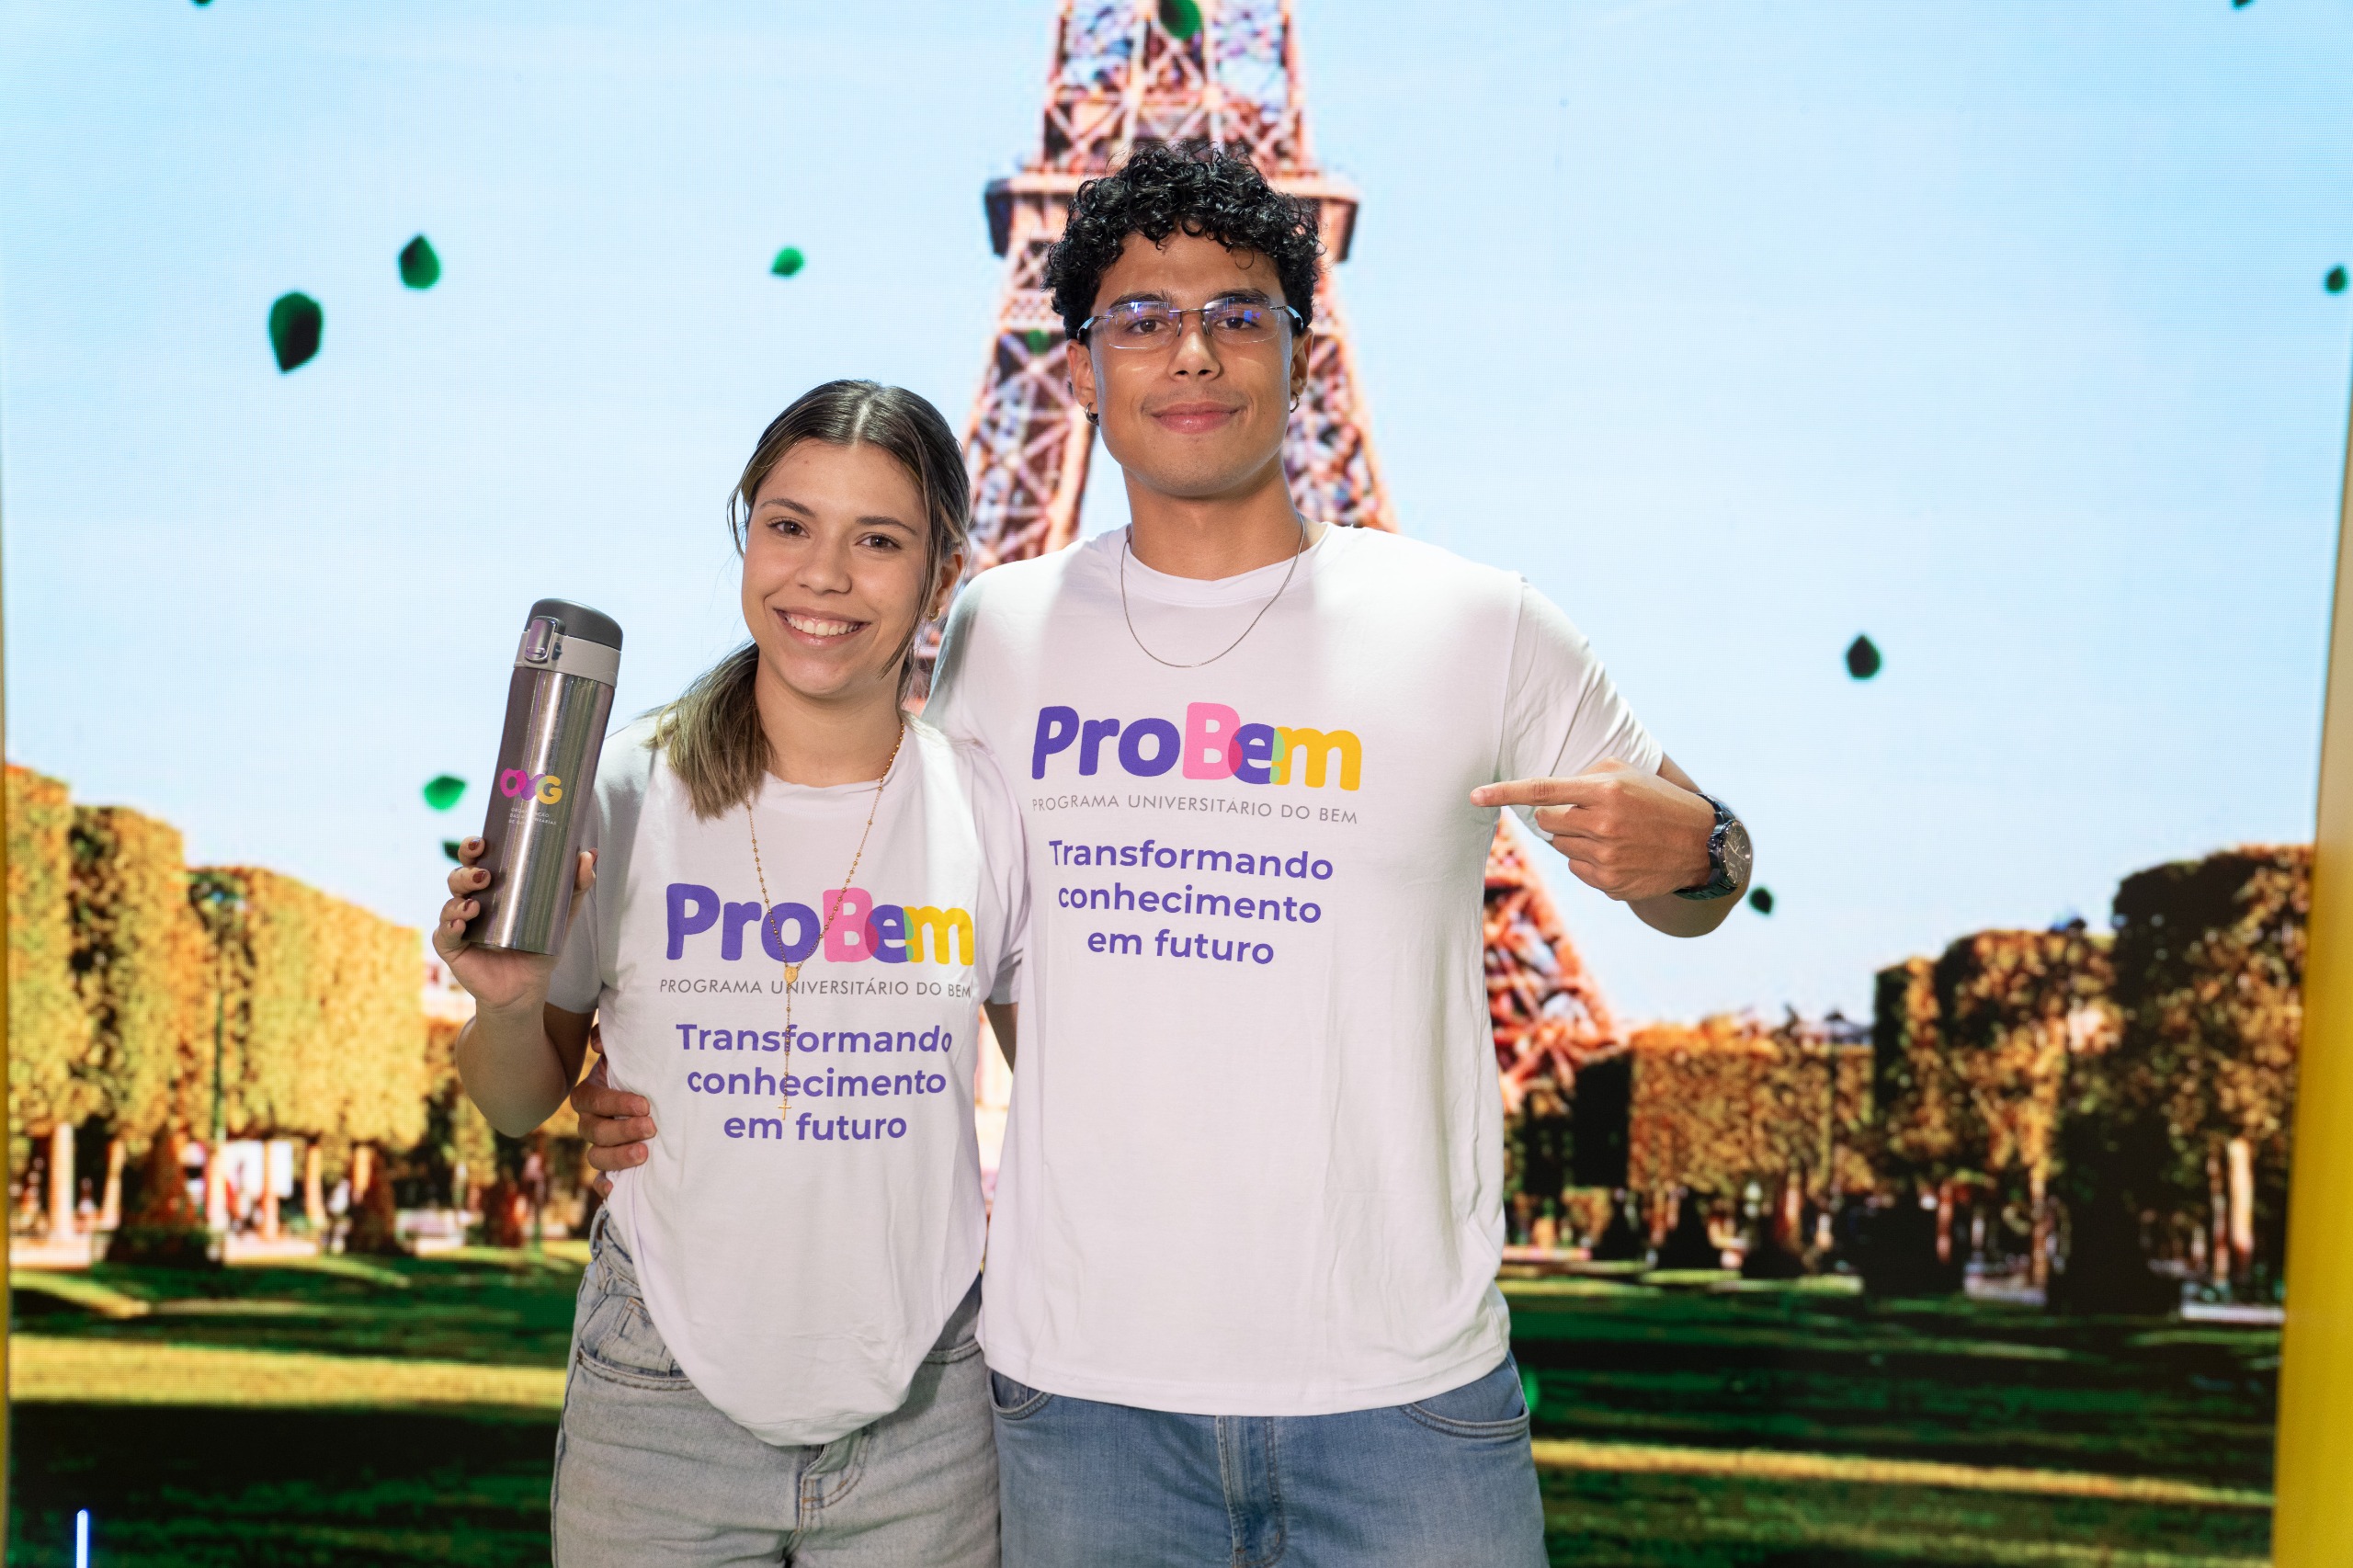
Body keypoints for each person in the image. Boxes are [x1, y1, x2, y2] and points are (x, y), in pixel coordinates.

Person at [580, 142, 1753, 1566]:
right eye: (1141, 317)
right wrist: (657, 1058)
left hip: (1405, 1397)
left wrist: (1711, 848)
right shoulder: (998, 631)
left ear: (1305, 352)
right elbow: (890, 898)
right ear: (1081, 366)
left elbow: (1696, 881)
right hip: (1086, 1403)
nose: (1191, 350)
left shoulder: (1479, 622)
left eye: (1236, 312)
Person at [438, 380, 1025, 1567]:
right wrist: (507, 1003)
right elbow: (513, 1100)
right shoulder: (626, 785)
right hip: (659, 1402)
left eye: (878, 541)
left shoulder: (989, 809)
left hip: (929, 1408)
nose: (824, 575)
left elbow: (1069, 1086)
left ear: (942, 576)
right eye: (789, 525)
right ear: (746, 534)